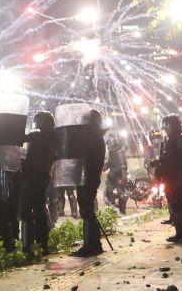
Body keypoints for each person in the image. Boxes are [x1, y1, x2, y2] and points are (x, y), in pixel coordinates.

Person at [151, 115, 182, 244]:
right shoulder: (174, 139)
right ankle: (181, 232)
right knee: (173, 206)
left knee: (179, 206)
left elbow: (180, 160)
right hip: (172, 177)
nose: (165, 130)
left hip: (177, 177)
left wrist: (164, 165)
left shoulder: (181, 139)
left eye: (166, 127)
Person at [71, 109, 106, 258]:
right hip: (90, 177)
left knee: (86, 211)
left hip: (87, 177)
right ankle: (95, 244)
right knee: (88, 210)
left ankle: (88, 246)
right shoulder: (96, 137)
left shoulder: (92, 138)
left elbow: (85, 157)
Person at [20, 111, 55, 256]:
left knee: (27, 210)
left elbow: (21, 137)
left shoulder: (38, 134)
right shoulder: (54, 136)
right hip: (44, 176)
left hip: (33, 177)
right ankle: (43, 244)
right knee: (40, 210)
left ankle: (29, 245)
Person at [103, 135, 128, 215]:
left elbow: (123, 165)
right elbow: (110, 162)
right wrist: (104, 167)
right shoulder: (112, 152)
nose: (108, 147)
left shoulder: (119, 151)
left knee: (121, 194)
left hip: (118, 176)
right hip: (112, 175)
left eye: (109, 145)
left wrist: (124, 176)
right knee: (108, 194)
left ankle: (122, 212)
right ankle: (114, 209)